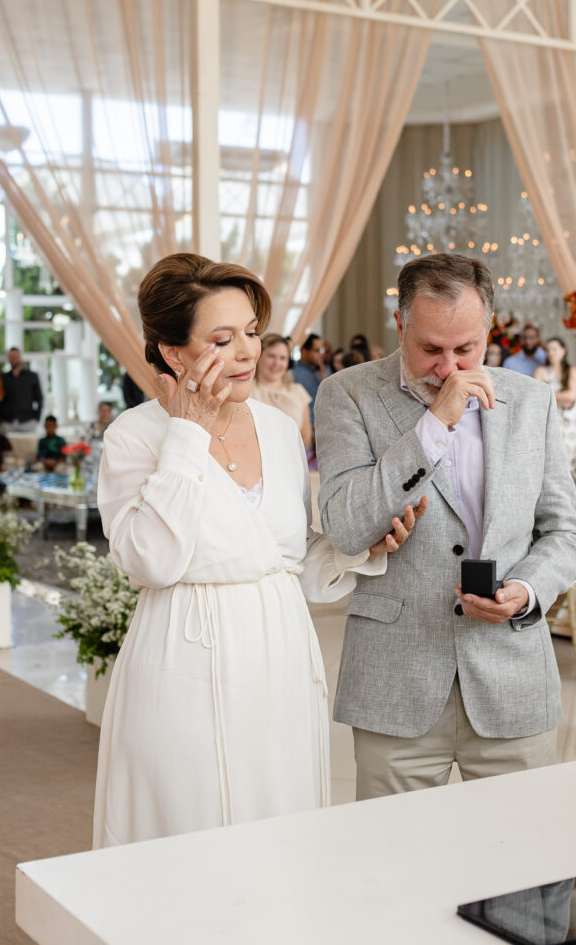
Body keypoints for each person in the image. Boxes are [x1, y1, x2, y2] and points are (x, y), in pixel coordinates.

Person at [92, 252, 425, 848]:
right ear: (173, 353)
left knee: (279, 830)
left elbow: (287, 558)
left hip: (280, 657)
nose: (248, 351)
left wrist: (357, 549)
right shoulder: (135, 436)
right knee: (189, 829)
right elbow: (149, 562)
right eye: (223, 339)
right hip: (182, 661)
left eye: (251, 332)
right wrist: (187, 433)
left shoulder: (278, 428)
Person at [315, 252, 576, 799]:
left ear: (489, 327)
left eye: (466, 349)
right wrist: (435, 423)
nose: (449, 368)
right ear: (400, 324)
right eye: (430, 349)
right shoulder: (346, 394)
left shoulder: (532, 400)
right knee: (393, 851)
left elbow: (565, 533)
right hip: (396, 682)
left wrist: (526, 590)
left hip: (513, 679)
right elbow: (345, 524)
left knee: (523, 849)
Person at [250, 333, 312, 448]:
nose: (277, 363)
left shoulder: (298, 391)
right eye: (271, 356)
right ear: (259, 357)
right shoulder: (246, 390)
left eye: (282, 358)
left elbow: (305, 436)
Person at [533, 337, 576, 465]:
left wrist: (548, 393)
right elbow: (536, 395)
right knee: (548, 458)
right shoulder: (540, 370)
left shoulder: (572, 371)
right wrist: (562, 397)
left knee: (567, 459)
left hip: (568, 423)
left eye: (554, 349)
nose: (550, 353)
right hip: (547, 419)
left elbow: (571, 396)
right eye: (548, 350)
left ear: (563, 350)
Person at [0, 347, 43, 431]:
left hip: (28, 421)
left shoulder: (32, 376)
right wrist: (0, 419)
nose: (13, 359)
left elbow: (39, 399)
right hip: (7, 422)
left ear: (20, 357)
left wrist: (37, 418)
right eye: (11, 357)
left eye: (15, 357)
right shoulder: (4, 378)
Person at [293, 332, 325, 432]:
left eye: (322, 350)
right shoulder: (295, 374)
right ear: (304, 351)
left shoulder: (316, 371)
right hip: (308, 429)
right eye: (317, 351)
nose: (321, 354)